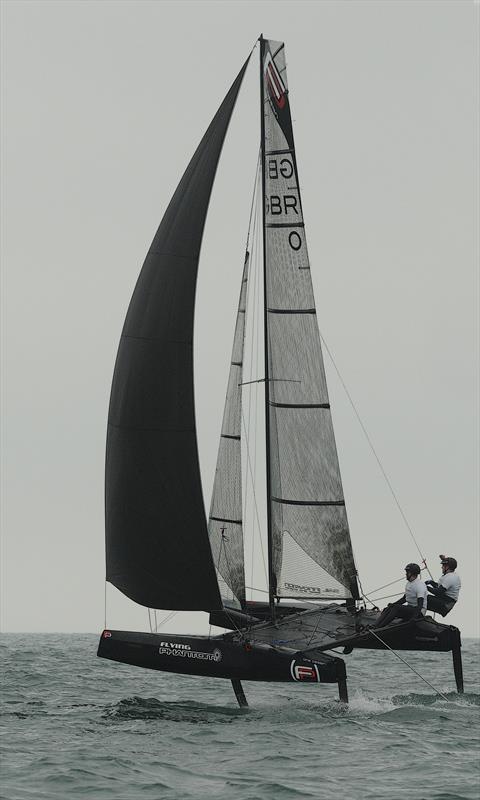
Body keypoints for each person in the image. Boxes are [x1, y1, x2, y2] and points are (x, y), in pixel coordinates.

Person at [374, 563, 427, 628]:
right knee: (390, 608)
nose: (406, 574)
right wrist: (393, 604)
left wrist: (414, 618)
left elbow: (420, 605)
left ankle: (379, 627)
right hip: (410, 608)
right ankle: (374, 626)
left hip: (418, 612)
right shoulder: (409, 583)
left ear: (412, 573)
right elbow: (404, 598)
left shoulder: (419, 586)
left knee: (396, 608)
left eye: (407, 572)